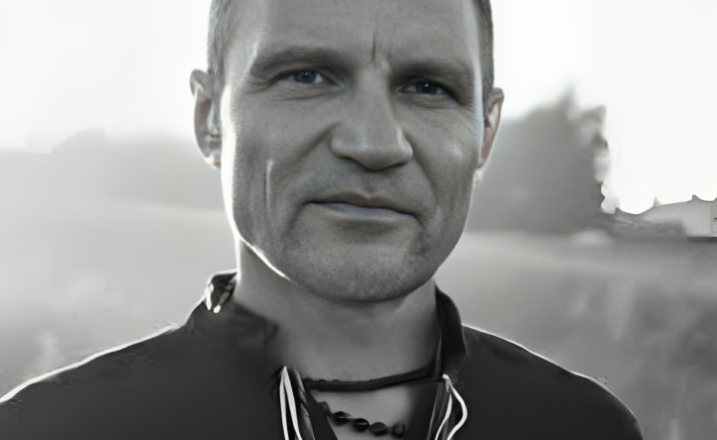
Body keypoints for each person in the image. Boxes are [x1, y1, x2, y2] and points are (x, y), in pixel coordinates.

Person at [0, 0, 644, 438]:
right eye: (307, 76)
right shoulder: (49, 431)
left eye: (428, 87)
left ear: (485, 132)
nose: (374, 143)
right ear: (210, 118)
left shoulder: (584, 428)